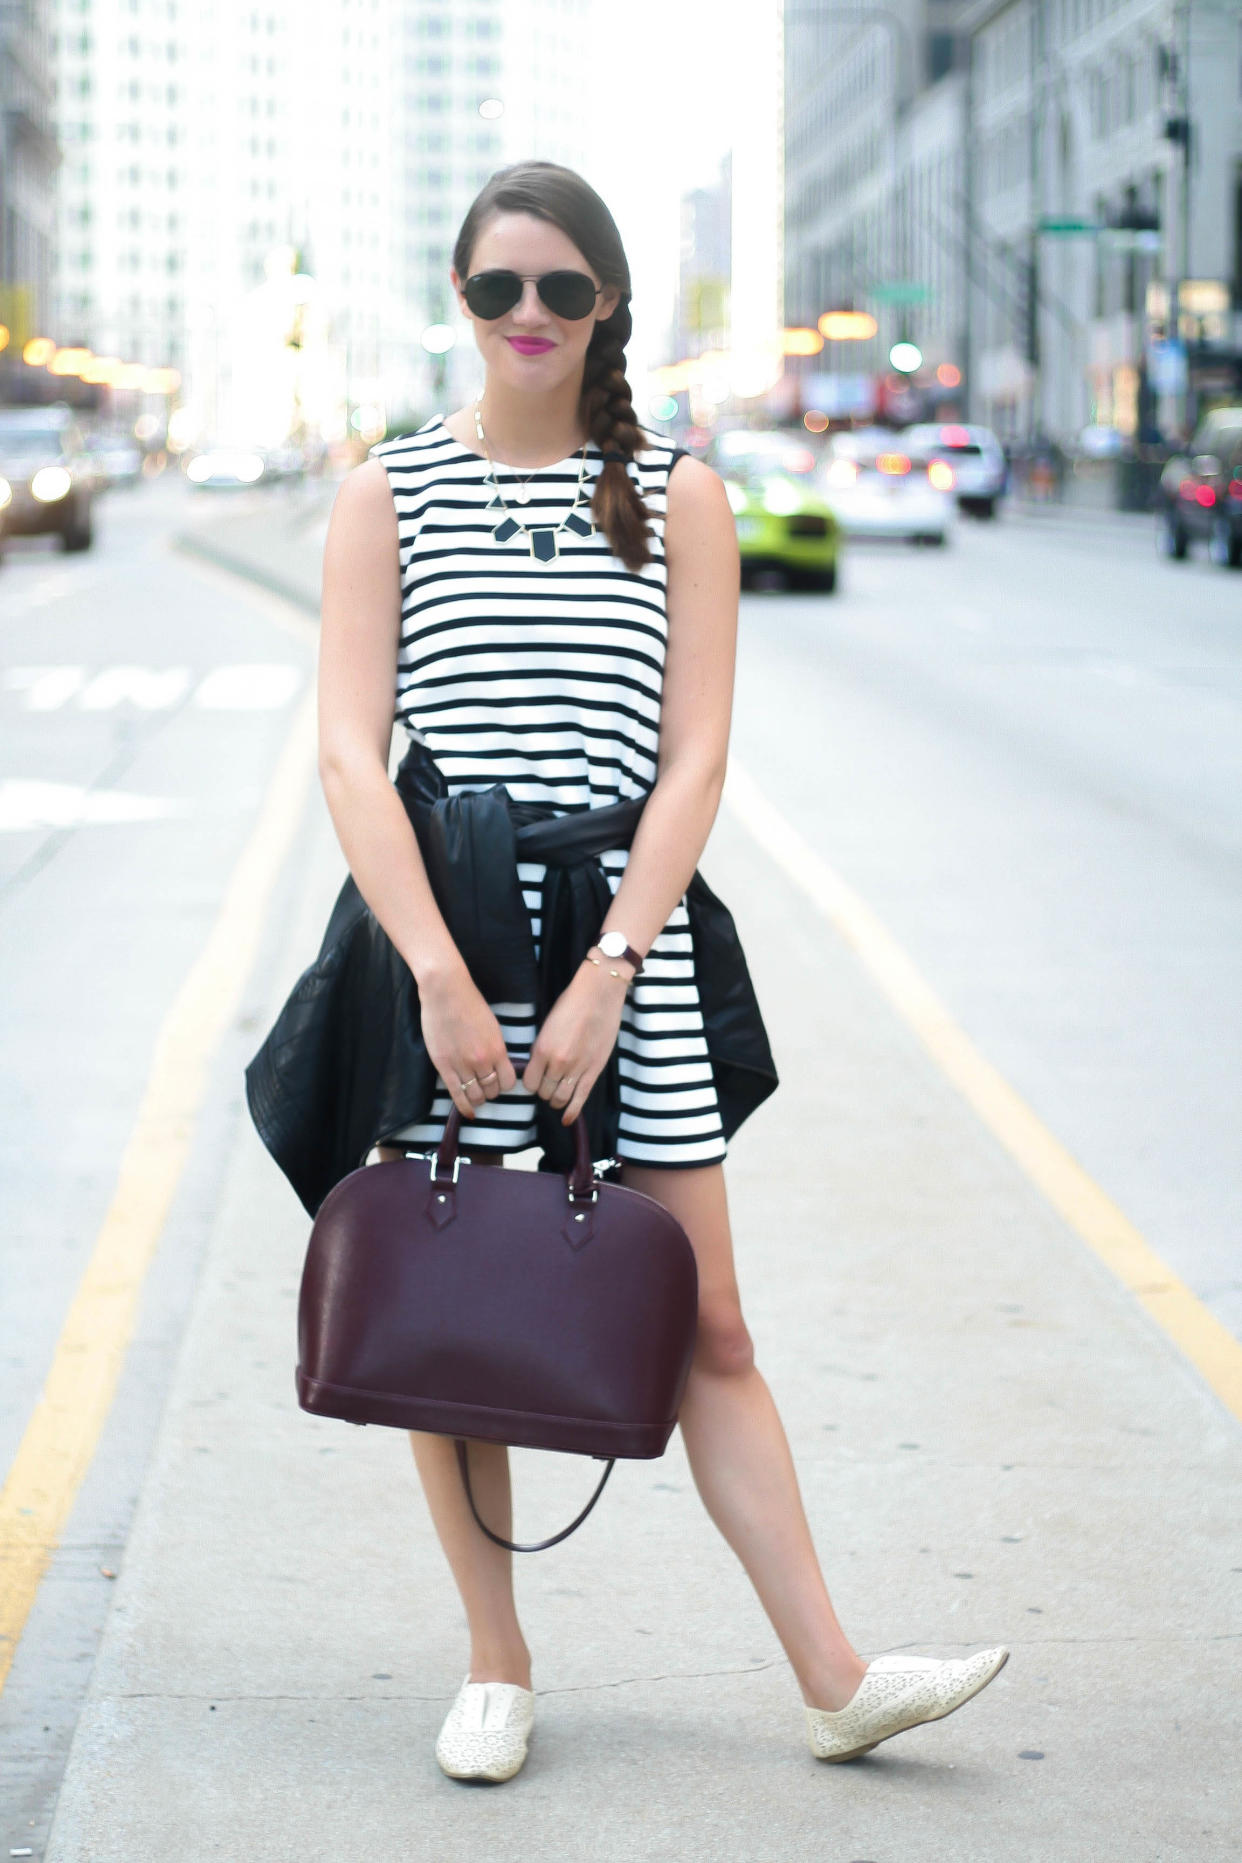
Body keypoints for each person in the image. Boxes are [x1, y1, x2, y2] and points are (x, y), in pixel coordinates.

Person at [246, 160, 1008, 1784]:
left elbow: (695, 764)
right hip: (438, 939)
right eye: (496, 289)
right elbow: (348, 758)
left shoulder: (683, 495)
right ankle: (496, 1665)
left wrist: (606, 967)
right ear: (459, 303)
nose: (528, 319)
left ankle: (833, 1673)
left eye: (561, 290)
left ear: (607, 307)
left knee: (710, 1319)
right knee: (449, 1315)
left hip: (620, 954)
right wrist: (440, 976)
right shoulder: (389, 492)